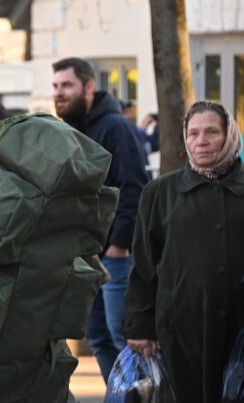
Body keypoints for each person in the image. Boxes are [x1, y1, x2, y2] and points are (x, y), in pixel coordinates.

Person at [124, 100, 244, 402]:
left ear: (230, 134)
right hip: (180, 330)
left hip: (239, 330)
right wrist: (139, 325)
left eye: (211, 132)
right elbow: (143, 265)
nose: (201, 141)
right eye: (193, 133)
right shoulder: (160, 193)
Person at [52, 57, 150, 382]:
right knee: (97, 336)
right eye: (55, 86)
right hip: (86, 256)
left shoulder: (115, 127)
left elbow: (134, 188)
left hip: (115, 257)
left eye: (66, 85)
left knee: (124, 338)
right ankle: (118, 394)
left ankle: (139, 394)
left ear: (89, 87)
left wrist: (119, 247)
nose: (59, 93)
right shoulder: (71, 128)